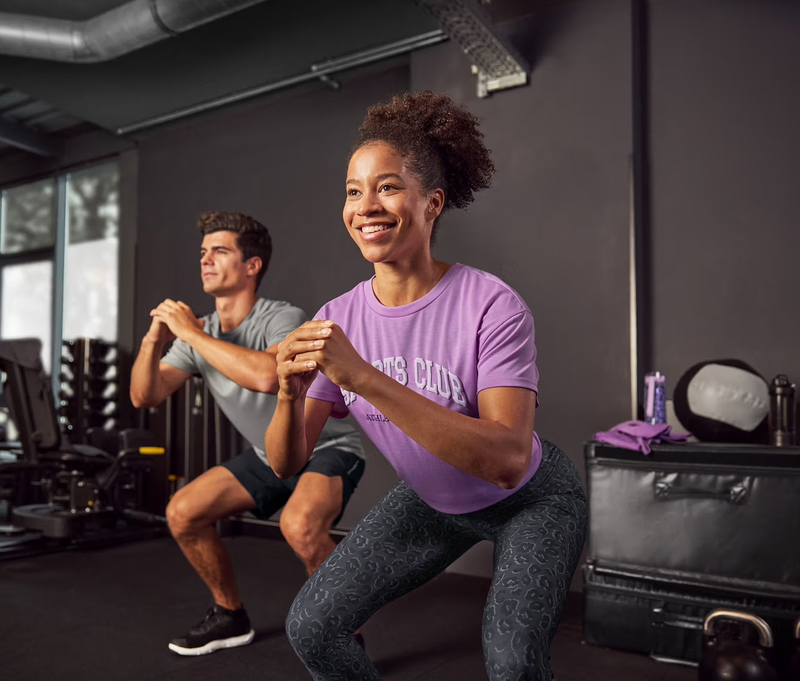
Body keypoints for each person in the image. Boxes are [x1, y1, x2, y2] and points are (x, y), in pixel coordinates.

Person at [265, 91, 588, 680]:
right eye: (353, 190)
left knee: (513, 664)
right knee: (312, 626)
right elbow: (286, 464)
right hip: (433, 502)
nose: (366, 205)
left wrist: (362, 375)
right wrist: (288, 392)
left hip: (532, 502)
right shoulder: (337, 317)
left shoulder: (491, 304)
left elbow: (509, 462)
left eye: (387, 186)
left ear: (431, 202)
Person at [130, 211, 365, 657]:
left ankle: (346, 636)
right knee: (182, 512)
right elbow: (146, 396)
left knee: (300, 528)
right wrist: (154, 339)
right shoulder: (199, 334)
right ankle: (229, 616)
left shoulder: (281, 317)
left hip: (325, 448)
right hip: (265, 454)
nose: (206, 260)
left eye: (219, 251)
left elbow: (265, 376)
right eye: (203, 252)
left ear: (251, 266)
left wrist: (190, 336)